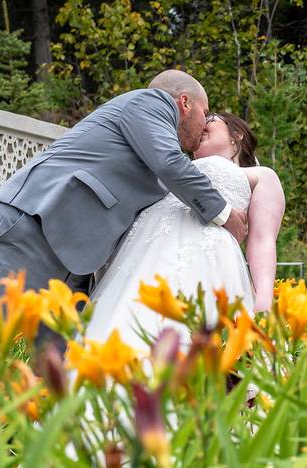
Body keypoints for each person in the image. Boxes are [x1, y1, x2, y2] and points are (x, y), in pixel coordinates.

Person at [0, 70, 249, 417]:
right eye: (204, 114)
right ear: (184, 103)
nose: (204, 124)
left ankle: (36, 464)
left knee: (58, 379)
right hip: (26, 230)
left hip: (68, 265)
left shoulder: (148, 150)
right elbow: (169, 164)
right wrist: (224, 212)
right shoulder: (149, 103)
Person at [84, 112, 285, 352]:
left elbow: (262, 240)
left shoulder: (259, 175)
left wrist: (263, 297)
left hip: (206, 262)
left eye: (210, 119)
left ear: (236, 135)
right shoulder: (175, 168)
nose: (202, 123)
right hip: (145, 259)